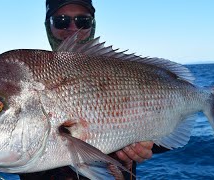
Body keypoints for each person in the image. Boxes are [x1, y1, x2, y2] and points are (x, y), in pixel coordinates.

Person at [20, 1, 169, 179]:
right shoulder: (27, 81)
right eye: (61, 20)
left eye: (83, 21)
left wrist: (143, 145)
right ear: (48, 26)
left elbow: (163, 141)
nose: (73, 28)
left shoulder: (121, 70)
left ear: (93, 25)